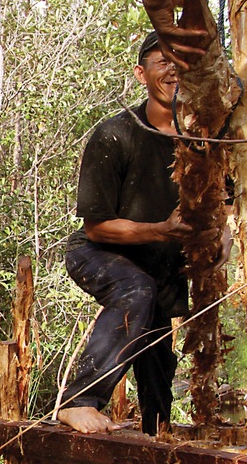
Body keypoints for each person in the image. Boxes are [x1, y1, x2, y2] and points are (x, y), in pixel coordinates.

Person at [55, 31, 229, 436]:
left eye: (181, 62)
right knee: (136, 293)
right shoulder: (115, 134)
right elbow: (96, 227)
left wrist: (223, 233)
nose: (174, 70)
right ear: (141, 73)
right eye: (162, 61)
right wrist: (161, 229)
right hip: (100, 254)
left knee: (157, 369)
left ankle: (156, 435)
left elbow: (227, 197)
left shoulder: (206, 137)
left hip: (159, 268)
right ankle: (78, 401)